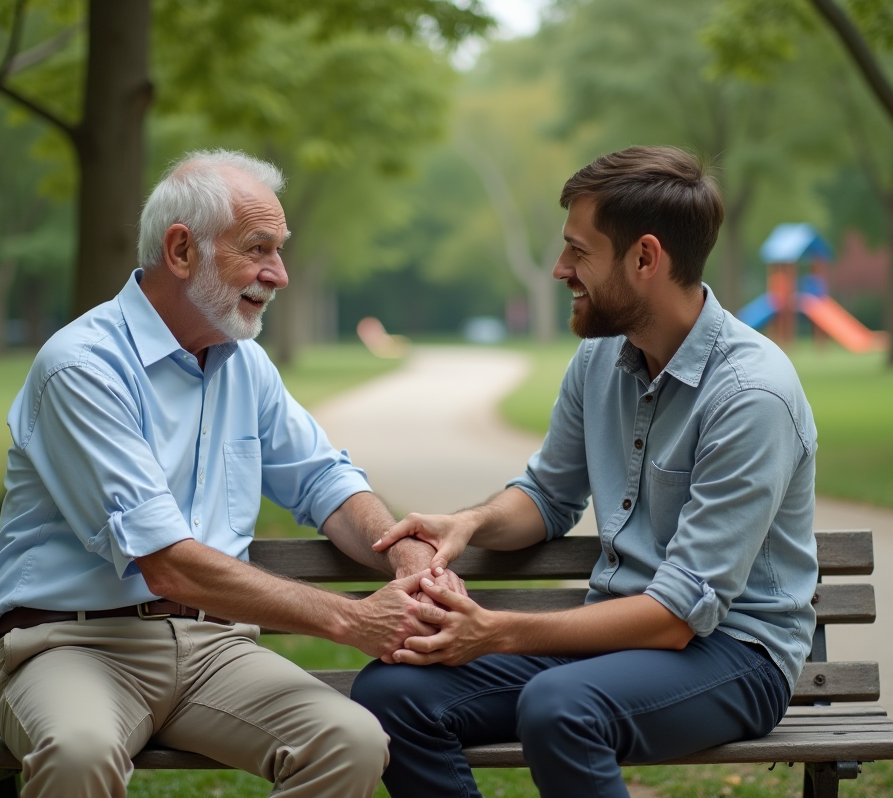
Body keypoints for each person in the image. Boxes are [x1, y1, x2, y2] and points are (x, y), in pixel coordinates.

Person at [0, 149, 462, 798]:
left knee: (350, 741)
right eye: (258, 248)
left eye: (280, 250)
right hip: (72, 645)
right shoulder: (82, 366)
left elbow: (324, 481)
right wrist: (351, 619)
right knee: (78, 755)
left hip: (212, 648)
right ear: (181, 251)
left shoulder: (244, 363)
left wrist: (406, 557)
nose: (280, 274)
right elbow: (165, 563)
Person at [351, 146, 819, 798]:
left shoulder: (750, 395)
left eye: (578, 250)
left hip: (734, 653)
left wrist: (496, 633)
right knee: (392, 693)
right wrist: (469, 524)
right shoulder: (601, 359)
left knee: (560, 707)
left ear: (645, 258)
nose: (560, 268)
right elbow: (548, 495)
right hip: (612, 639)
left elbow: (677, 617)